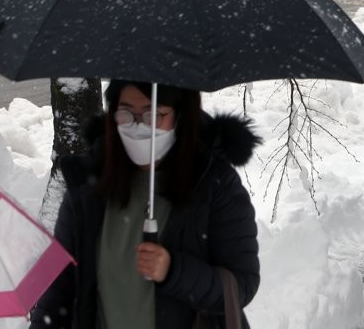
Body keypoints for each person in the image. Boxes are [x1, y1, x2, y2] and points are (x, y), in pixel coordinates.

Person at [31, 81, 261, 329]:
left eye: (153, 114)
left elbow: (241, 286)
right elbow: (58, 285)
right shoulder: (88, 186)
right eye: (126, 113)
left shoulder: (214, 184)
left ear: (180, 115)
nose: (139, 126)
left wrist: (174, 272)